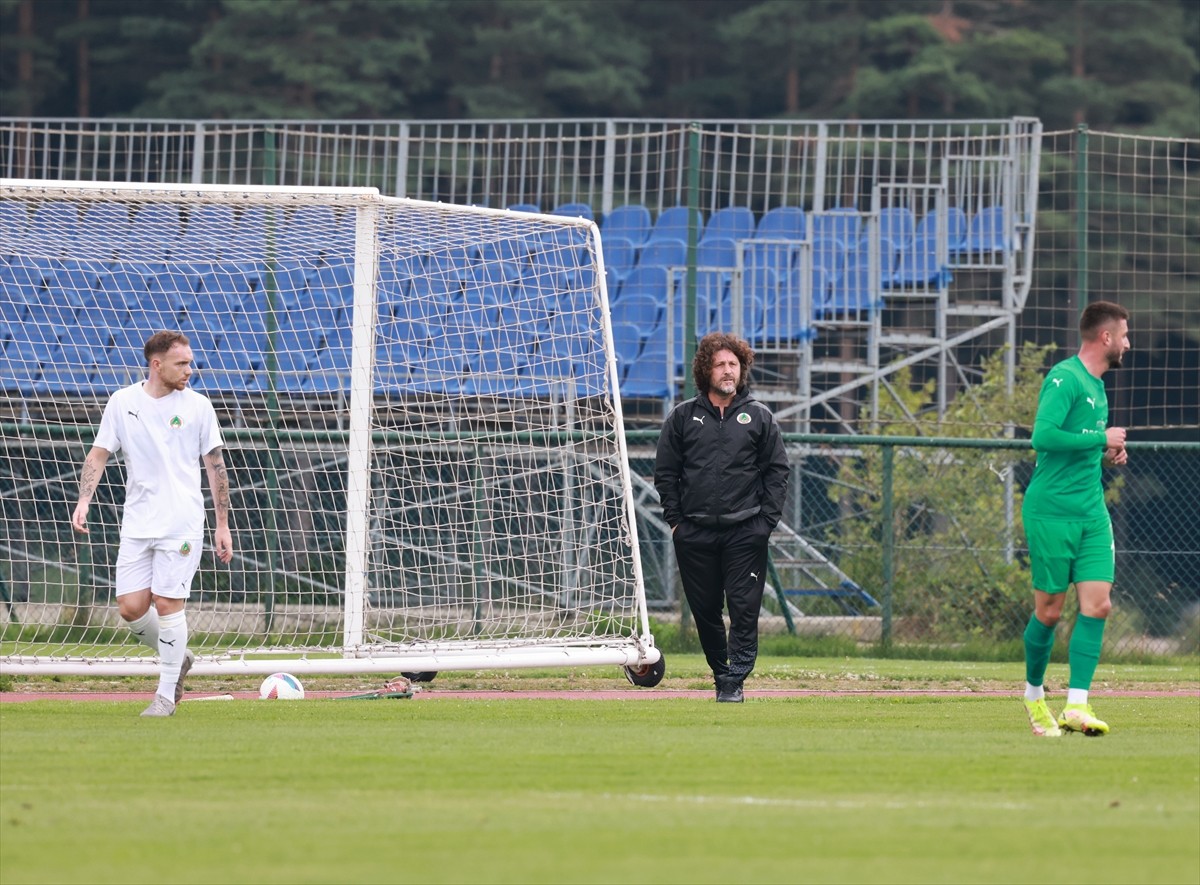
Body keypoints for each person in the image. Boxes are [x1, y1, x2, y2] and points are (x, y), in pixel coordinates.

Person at [71, 330, 233, 717]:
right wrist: (83, 500)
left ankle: (164, 695)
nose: (190, 370)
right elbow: (97, 455)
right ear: (156, 365)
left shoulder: (198, 407)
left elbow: (216, 466)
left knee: (167, 604)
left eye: (190, 362)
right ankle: (180, 657)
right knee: (130, 607)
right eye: (182, 363)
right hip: (138, 523)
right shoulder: (122, 402)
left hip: (182, 522)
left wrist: (222, 523)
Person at [653, 332, 789, 703]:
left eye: (734, 364)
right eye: (720, 364)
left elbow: (777, 472)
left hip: (746, 531)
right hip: (694, 532)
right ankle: (720, 673)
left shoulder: (759, 416)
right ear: (705, 370)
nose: (728, 371)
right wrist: (677, 522)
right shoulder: (682, 417)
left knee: (744, 610)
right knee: (706, 611)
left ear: (742, 369)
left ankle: (735, 681)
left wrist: (765, 524)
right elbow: (666, 473)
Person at [1021, 301, 1130, 737]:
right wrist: (1098, 436)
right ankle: (1032, 697)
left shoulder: (1098, 387)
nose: (1128, 342)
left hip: (1090, 512)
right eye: (1124, 334)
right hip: (1051, 512)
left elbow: (1077, 445)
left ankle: (1077, 706)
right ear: (1105, 338)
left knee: (1099, 604)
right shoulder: (1064, 378)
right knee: (1048, 613)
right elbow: (1042, 437)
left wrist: (1104, 451)